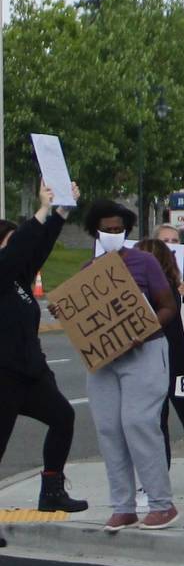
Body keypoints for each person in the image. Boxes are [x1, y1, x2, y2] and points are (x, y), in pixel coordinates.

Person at [79, 200, 179, 531]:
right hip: (104, 360)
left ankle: (161, 504)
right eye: (107, 229)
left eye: (118, 229)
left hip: (144, 352)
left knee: (139, 422)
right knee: (109, 428)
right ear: (95, 231)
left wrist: (144, 328)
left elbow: (168, 306)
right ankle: (123, 505)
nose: (113, 233)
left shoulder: (144, 262)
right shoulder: (88, 271)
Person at [0, 181, 89, 514]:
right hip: (3, 376)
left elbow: (38, 246)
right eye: (10, 243)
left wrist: (62, 211)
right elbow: (21, 247)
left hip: (30, 373)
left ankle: (52, 491)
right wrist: (41, 209)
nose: (21, 250)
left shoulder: (19, 281)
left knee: (63, 417)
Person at [139, 236, 184, 494]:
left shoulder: (171, 286)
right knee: (160, 419)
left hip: (173, 359)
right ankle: (161, 476)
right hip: (160, 359)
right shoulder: (158, 286)